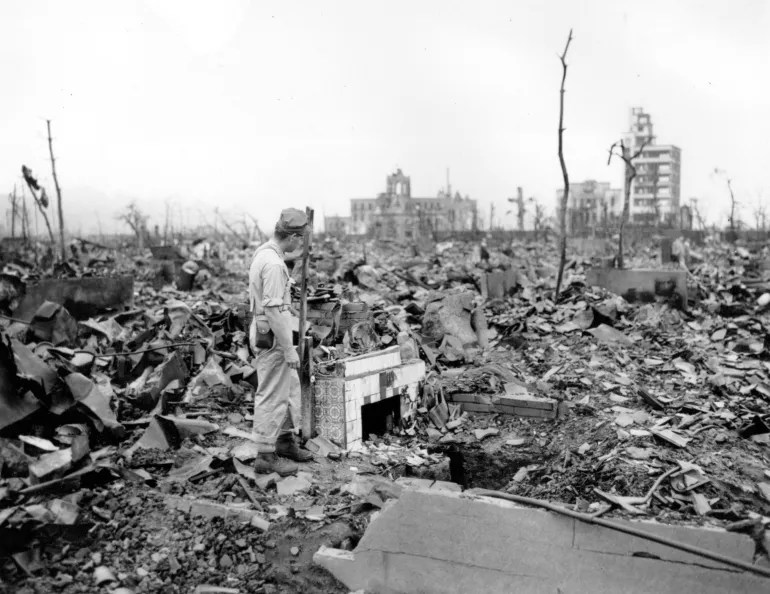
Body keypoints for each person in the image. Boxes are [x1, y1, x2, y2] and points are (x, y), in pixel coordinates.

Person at [249, 208, 313, 475]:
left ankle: (285, 441)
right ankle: (264, 455)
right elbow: (275, 311)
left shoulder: (265, 252)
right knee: (273, 393)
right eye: (301, 238)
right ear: (295, 236)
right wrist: (288, 349)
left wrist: (300, 258)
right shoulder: (275, 265)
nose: (301, 244)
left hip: (272, 332)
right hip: (274, 337)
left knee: (289, 389)